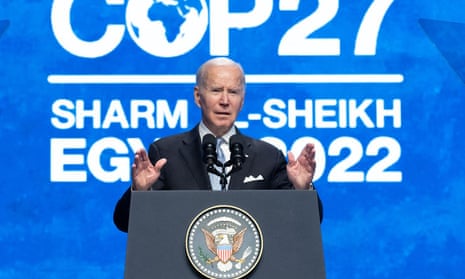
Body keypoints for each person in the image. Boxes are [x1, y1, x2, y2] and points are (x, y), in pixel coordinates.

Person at [113, 57, 323, 232]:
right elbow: (125, 223)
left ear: (242, 100)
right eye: (216, 90)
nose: (225, 100)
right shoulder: (167, 152)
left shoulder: (268, 156)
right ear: (198, 96)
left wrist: (302, 189)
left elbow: (305, 225)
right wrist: (140, 191)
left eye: (233, 92)